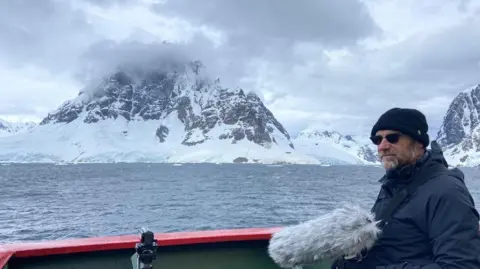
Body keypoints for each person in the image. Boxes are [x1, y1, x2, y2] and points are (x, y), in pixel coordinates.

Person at [332, 107, 480, 269]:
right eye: (377, 140)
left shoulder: (447, 191)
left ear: (419, 143)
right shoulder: (393, 184)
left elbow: (461, 265)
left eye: (392, 138)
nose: (382, 146)